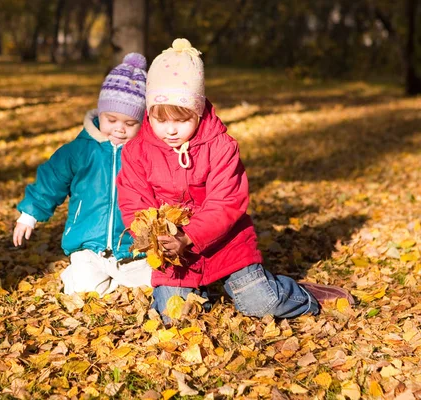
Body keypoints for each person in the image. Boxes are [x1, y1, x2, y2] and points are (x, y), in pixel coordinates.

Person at [116, 39, 354, 322]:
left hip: (225, 243)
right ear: (149, 113)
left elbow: (227, 202)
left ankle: (301, 295)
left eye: (181, 120)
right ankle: (198, 292)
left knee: (260, 304)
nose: (170, 130)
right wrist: (151, 237)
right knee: (175, 316)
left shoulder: (220, 146)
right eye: (161, 120)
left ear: (199, 111)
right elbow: (133, 200)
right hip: (173, 253)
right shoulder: (137, 150)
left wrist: (189, 236)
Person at [13, 53, 152, 296]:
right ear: (100, 115)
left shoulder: (145, 153)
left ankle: (119, 276)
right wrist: (29, 214)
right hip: (88, 245)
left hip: (132, 247)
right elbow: (51, 179)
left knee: (150, 283)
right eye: (112, 119)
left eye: (130, 123)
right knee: (86, 290)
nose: (119, 128)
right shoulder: (80, 150)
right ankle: (81, 275)